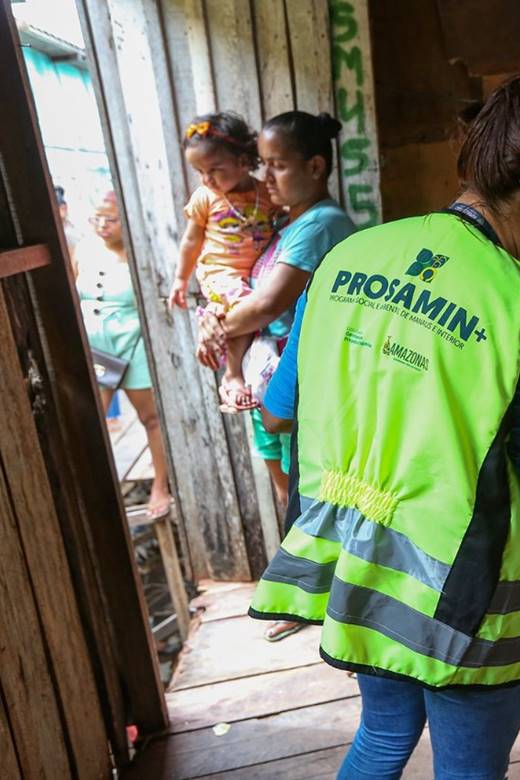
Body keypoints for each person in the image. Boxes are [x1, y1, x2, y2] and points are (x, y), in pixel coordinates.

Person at [247, 65, 520, 779]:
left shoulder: (348, 257)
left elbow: (280, 411)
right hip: (471, 599)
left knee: (380, 738)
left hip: (361, 570)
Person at [196, 111, 354, 641]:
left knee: (306, 492)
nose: (266, 178)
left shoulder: (323, 225)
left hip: (300, 380)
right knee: (291, 490)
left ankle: (317, 596)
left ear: (315, 165)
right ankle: (307, 591)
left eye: (278, 166)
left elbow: (266, 306)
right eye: (262, 166)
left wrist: (216, 328)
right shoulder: (290, 224)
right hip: (272, 376)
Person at [75, 191, 173, 519]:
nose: (102, 226)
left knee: (150, 418)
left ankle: (161, 484)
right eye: (97, 218)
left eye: (110, 219)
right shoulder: (84, 250)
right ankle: (95, 490)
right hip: (96, 346)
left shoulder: (139, 255)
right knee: (91, 420)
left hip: (133, 345)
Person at [171, 112, 278, 410]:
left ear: (244, 162)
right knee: (244, 304)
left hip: (256, 270)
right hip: (221, 271)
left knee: (256, 312)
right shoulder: (206, 197)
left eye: (215, 170)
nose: (207, 179)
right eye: (199, 172)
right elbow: (191, 240)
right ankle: (232, 375)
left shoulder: (266, 194)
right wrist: (181, 279)